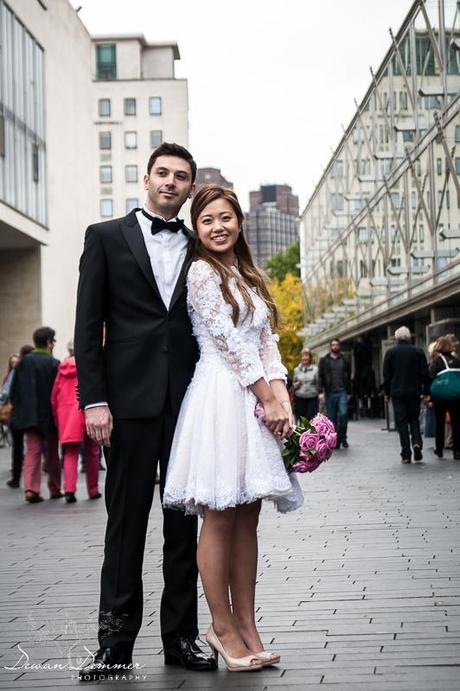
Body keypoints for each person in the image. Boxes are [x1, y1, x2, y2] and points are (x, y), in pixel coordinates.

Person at [75, 143, 216, 681]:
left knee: (183, 526)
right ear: (147, 177)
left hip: (187, 404)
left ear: (188, 186)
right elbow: (87, 328)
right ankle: (114, 644)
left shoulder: (200, 244)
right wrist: (95, 400)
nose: (171, 183)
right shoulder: (105, 237)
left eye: (182, 177)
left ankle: (181, 638)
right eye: (164, 173)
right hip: (125, 406)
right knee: (125, 526)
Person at [163, 185, 303, 672]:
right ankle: (222, 627)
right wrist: (267, 396)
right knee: (219, 514)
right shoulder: (202, 272)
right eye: (207, 221)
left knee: (248, 515)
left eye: (226, 217)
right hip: (223, 395)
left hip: (257, 395)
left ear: (238, 222)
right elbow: (228, 342)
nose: (218, 226)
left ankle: (248, 625)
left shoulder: (247, 273)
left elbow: (266, 341)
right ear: (197, 230)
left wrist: (281, 394)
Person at [9, 328, 62, 502]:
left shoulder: (23, 363)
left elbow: (14, 390)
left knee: (32, 451)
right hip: (49, 416)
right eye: (53, 341)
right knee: (53, 454)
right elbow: (59, 392)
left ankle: (31, 489)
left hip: (29, 416)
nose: (53, 344)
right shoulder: (54, 363)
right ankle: (55, 488)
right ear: (48, 342)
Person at [51, 348, 101, 503]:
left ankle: (69, 490)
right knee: (92, 452)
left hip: (68, 416)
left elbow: (54, 398)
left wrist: (58, 418)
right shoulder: (89, 367)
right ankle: (93, 490)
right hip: (88, 411)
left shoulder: (62, 371)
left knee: (70, 453)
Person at [383, 326, 429, 463]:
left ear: (396, 338)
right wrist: (426, 392)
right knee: (414, 419)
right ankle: (416, 442)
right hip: (414, 392)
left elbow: (387, 376)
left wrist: (386, 393)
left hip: (397, 393)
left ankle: (406, 454)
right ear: (409, 337)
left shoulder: (390, 353)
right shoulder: (418, 351)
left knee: (401, 423)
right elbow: (424, 374)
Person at [428, 335, 460, 460]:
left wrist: (427, 394)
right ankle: (457, 451)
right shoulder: (457, 360)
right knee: (457, 422)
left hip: (440, 396)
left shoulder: (436, 361)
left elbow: (430, 376)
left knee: (440, 422)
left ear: (438, 346)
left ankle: (439, 449)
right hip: (457, 395)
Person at [318, 338, 351, 448]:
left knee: (343, 415)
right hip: (330, 392)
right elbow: (320, 377)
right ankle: (335, 440)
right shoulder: (324, 360)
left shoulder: (345, 359)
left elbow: (349, 376)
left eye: (337, 345)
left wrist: (349, 392)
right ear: (330, 346)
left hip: (342, 391)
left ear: (339, 346)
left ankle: (343, 438)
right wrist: (320, 392)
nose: (335, 346)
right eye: (333, 345)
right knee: (332, 418)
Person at [292, 348, 319, 421]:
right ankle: (303, 433)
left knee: (312, 419)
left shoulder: (315, 369)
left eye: (307, 356)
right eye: (303, 356)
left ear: (310, 357)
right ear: (300, 358)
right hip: (300, 397)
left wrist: (320, 394)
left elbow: (318, 383)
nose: (305, 358)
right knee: (301, 420)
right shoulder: (296, 370)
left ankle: (311, 432)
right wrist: (295, 385)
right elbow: (294, 383)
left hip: (312, 397)